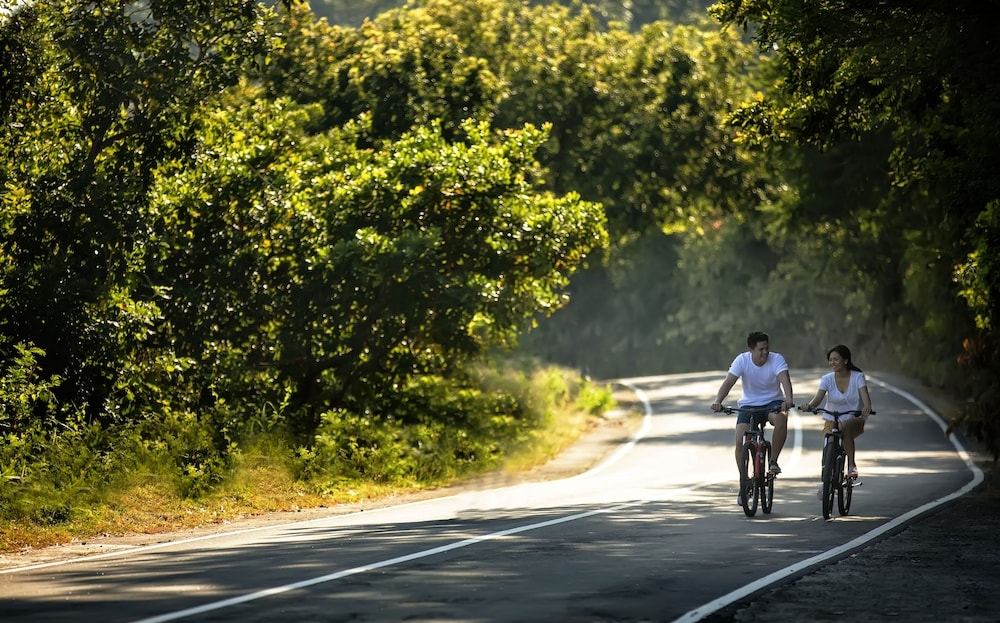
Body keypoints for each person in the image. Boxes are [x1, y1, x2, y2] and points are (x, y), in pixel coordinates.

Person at [711, 331, 794, 505]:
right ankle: (744, 482)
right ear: (751, 350)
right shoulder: (742, 360)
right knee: (740, 440)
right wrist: (718, 401)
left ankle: (773, 461)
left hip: (773, 402)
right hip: (749, 405)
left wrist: (788, 399)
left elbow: (784, 379)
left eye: (767, 348)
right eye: (761, 349)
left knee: (781, 419)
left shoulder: (776, 359)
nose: (765, 353)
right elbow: (728, 383)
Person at [799, 344, 873, 479]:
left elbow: (866, 401)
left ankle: (851, 466)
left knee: (844, 429)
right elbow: (817, 400)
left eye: (836, 359)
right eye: (830, 359)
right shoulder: (827, 379)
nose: (832, 362)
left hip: (854, 417)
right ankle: (826, 479)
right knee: (829, 441)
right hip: (831, 418)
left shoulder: (858, 377)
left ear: (845, 360)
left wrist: (866, 408)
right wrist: (809, 406)